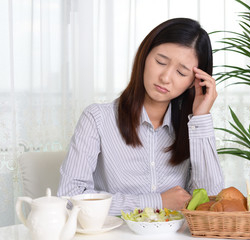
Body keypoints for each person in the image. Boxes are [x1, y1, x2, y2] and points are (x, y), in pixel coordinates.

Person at [57, 18, 224, 215]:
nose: (166, 77)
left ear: (192, 82)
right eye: (161, 61)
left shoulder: (190, 128)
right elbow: (69, 198)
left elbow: (211, 202)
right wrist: (157, 202)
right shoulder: (97, 119)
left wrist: (201, 118)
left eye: (181, 72)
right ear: (144, 57)